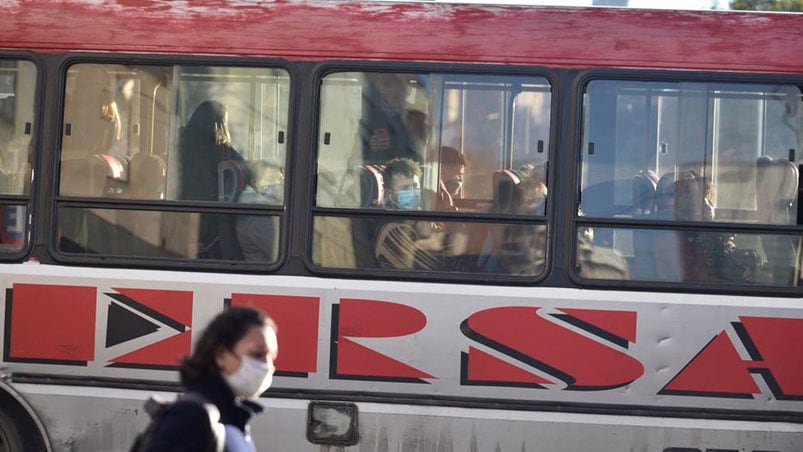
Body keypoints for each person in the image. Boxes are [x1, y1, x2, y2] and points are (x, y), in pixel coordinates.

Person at [146, 307, 278, 452]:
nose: (267, 365)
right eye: (257, 354)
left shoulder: (231, 417)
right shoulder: (192, 418)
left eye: (271, 356)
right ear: (221, 355)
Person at [179, 101, 244, 259]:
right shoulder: (218, 152)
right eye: (224, 122)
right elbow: (242, 167)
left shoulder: (183, 144)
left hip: (183, 220)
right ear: (218, 124)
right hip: (210, 223)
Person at [375, 158, 456, 270]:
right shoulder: (393, 228)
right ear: (389, 193)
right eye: (405, 188)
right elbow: (433, 268)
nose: (412, 192)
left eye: (415, 186)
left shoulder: (417, 218)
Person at [236, 160, 284, 262]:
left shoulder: (271, 208)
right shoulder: (256, 217)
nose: (276, 184)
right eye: (269, 179)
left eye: (279, 180)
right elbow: (282, 251)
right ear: (254, 184)